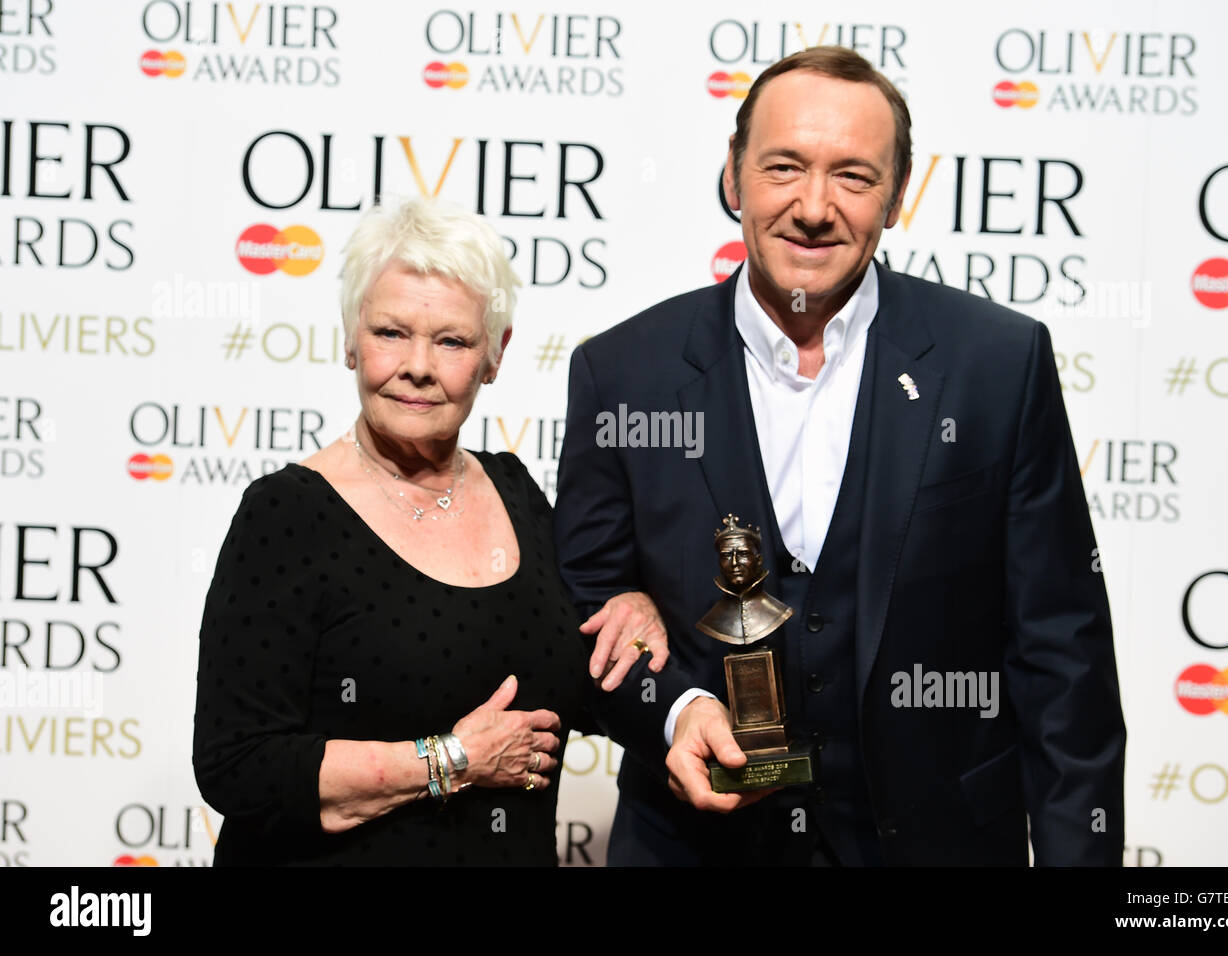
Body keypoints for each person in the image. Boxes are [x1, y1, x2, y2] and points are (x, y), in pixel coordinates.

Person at [555, 46, 1126, 866]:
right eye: (784, 166)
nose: (814, 207)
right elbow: (585, 602)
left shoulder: (998, 365)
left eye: (854, 177)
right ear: (733, 176)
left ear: (896, 197)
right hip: (696, 846)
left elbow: (1062, 652)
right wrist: (672, 710)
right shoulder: (622, 371)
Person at [192, 196, 664, 866]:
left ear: (494, 356)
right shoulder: (287, 515)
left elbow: (584, 676)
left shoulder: (516, 492)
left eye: (451, 341)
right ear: (350, 340)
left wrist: (634, 603)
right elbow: (236, 764)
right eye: (391, 333)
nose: (418, 365)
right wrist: (455, 761)